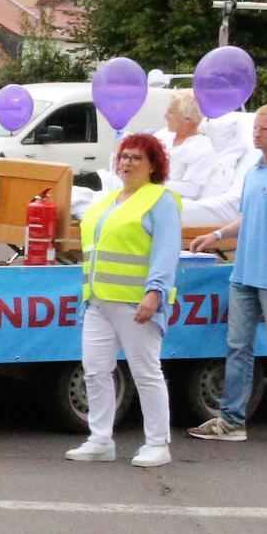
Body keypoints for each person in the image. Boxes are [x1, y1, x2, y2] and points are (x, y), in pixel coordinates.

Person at [189, 104, 267, 445]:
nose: (258, 134)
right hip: (244, 274)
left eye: (266, 129)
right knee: (238, 348)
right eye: (256, 128)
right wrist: (216, 235)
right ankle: (232, 420)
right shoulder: (255, 172)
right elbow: (247, 217)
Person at [68, 133, 182, 469]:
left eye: (136, 158)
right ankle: (100, 439)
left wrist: (155, 292)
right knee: (95, 371)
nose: (127, 163)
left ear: (152, 166)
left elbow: (166, 250)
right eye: (124, 157)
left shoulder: (160, 200)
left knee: (146, 373)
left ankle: (157, 443)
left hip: (136, 304)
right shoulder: (107, 200)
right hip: (99, 301)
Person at [155, 92, 222, 202]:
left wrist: (153, 182)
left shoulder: (202, 148)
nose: (165, 116)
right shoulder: (162, 135)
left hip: (166, 198)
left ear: (187, 118)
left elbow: (192, 189)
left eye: (170, 112)